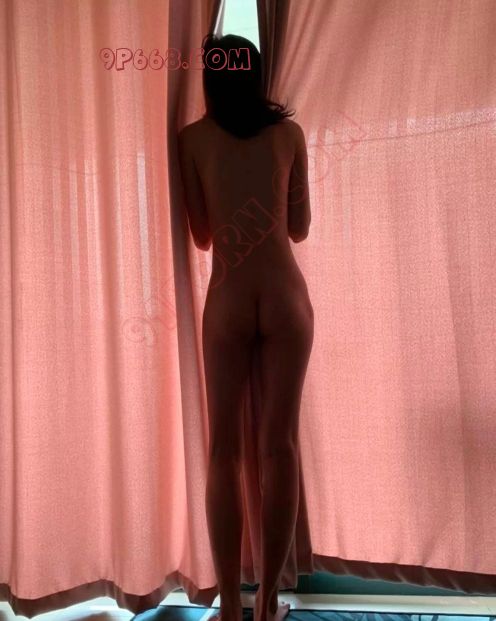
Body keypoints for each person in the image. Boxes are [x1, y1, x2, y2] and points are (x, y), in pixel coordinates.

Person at [178, 33, 314, 621]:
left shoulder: (192, 139)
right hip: (286, 300)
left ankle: (231, 605)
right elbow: (299, 227)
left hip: (228, 299)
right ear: (257, 76)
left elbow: (203, 236)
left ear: (210, 80)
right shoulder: (288, 134)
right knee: (279, 447)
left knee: (224, 453)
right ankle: (269, 605)